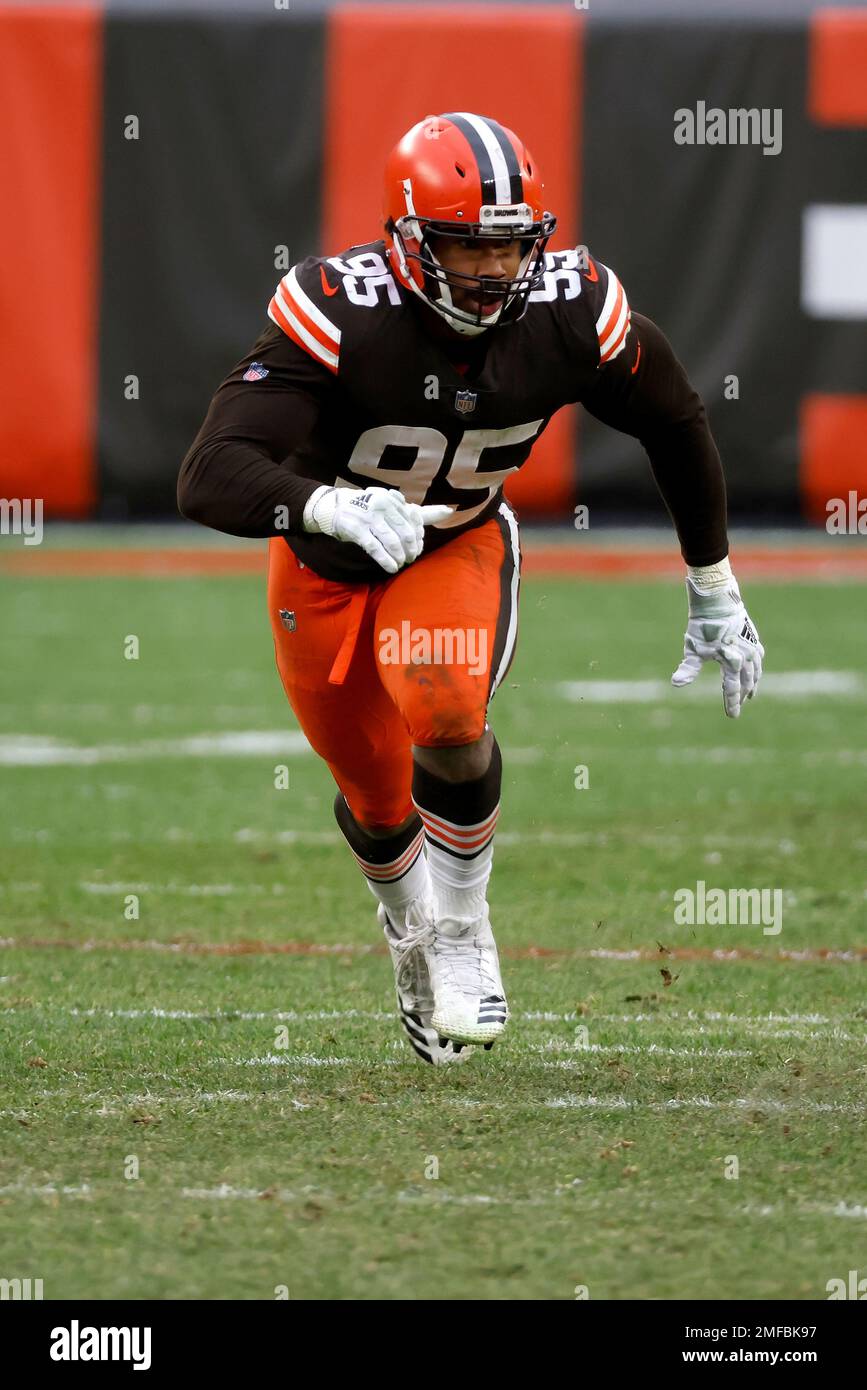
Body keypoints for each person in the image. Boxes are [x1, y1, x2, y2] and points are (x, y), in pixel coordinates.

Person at [178, 112, 764, 1065]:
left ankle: (462, 930)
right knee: (372, 796)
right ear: (407, 237)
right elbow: (209, 471)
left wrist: (712, 580)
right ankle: (409, 936)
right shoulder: (341, 308)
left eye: (509, 242)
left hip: (451, 544)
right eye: (466, 241)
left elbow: (674, 418)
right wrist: (320, 506)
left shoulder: (571, 308)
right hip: (322, 565)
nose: (492, 268)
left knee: (445, 707)